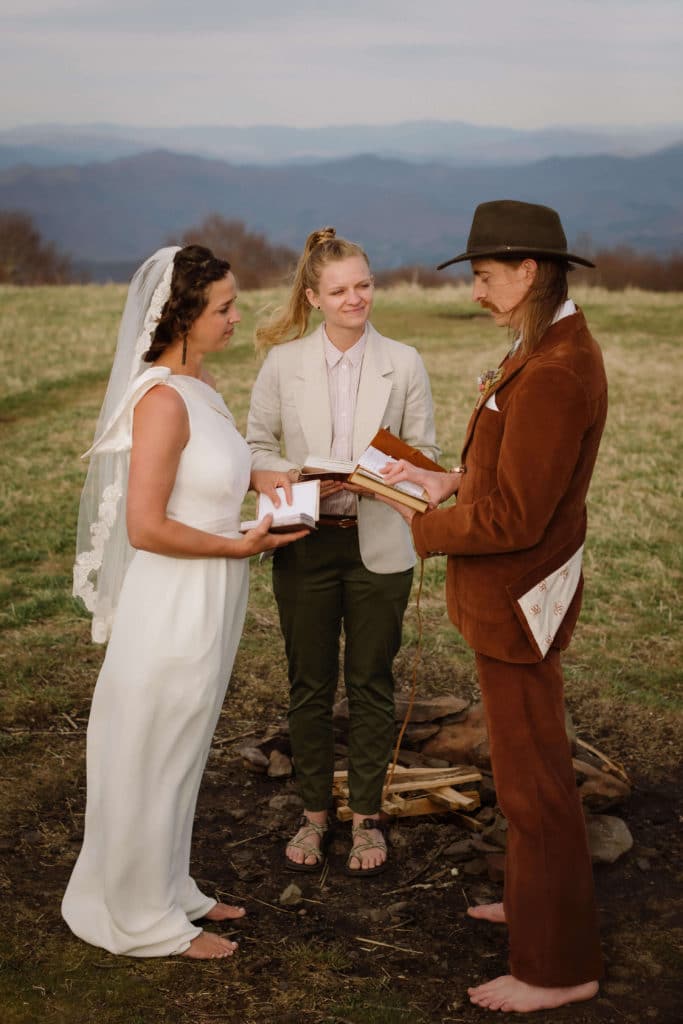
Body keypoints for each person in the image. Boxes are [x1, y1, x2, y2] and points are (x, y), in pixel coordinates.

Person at [377, 201, 606, 1012]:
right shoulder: (541, 348)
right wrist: (448, 480)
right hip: (511, 598)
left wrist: (426, 525)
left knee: (534, 780)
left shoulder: (554, 371)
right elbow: (509, 480)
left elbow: (517, 518)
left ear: (527, 273)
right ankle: (532, 902)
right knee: (521, 769)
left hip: (519, 602)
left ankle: (556, 966)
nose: (474, 290)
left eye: (481, 275)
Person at [63, 245, 306, 959]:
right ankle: (141, 918)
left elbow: (208, 478)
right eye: (223, 308)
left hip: (209, 593)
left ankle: (168, 886)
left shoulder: (200, 387)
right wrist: (240, 547)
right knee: (152, 743)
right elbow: (146, 526)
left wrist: (274, 481)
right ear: (181, 316)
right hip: (174, 598)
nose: (237, 318)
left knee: (184, 745)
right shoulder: (164, 400)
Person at [247, 227, 439, 876]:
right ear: (313, 297)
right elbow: (255, 448)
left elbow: (426, 456)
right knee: (308, 686)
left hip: (379, 541)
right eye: (340, 290)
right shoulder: (281, 365)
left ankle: (366, 818)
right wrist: (300, 478)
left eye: (363, 285)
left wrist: (377, 476)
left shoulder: (404, 362)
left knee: (370, 683)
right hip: (303, 542)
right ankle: (312, 813)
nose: (356, 298)